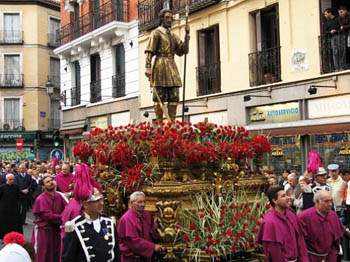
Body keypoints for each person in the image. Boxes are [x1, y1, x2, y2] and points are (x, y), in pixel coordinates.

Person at [145, 8, 190, 123]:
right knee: (158, 95)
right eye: (167, 17)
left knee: (174, 94)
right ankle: (159, 123)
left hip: (171, 66)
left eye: (171, 18)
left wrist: (187, 35)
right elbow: (149, 50)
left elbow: (182, 51)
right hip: (160, 65)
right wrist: (148, 67)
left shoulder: (173, 36)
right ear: (161, 19)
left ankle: (172, 123)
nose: (170, 20)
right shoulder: (156, 33)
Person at [62, 187, 120, 262]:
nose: (101, 203)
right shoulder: (74, 227)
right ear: (85, 204)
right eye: (96, 201)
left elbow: (116, 253)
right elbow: (68, 258)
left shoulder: (109, 222)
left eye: (101, 200)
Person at [256, 185, 308, 262]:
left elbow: (300, 240)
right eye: (283, 196)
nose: (288, 198)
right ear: (274, 200)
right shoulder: (270, 222)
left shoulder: (291, 215)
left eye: (287, 195)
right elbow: (274, 253)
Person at [298, 190, 344, 262]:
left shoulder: (333, 216)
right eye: (326, 201)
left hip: (329, 257)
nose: (329, 204)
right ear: (317, 201)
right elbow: (300, 242)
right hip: (310, 257)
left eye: (330, 201)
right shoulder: (303, 217)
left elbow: (336, 241)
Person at [118, 191, 165, 262]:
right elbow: (133, 241)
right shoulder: (126, 219)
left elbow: (150, 234)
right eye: (139, 202)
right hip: (131, 258)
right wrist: (153, 247)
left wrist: (154, 228)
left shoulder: (147, 215)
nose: (143, 204)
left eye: (144, 202)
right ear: (131, 203)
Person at [31, 175, 67, 262]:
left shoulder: (59, 196)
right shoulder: (41, 199)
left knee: (56, 254)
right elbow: (48, 216)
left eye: (51, 180)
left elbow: (67, 209)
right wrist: (64, 218)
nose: (51, 182)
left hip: (56, 231)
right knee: (44, 256)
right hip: (44, 232)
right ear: (43, 186)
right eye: (47, 182)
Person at [0, 173, 22, 239]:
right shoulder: (2, 187)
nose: (12, 181)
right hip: (4, 208)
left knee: (14, 223)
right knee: (4, 223)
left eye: (13, 179)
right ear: (7, 179)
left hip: (14, 208)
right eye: (10, 179)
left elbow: (18, 197)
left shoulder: (16, 186)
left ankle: (15, 236)